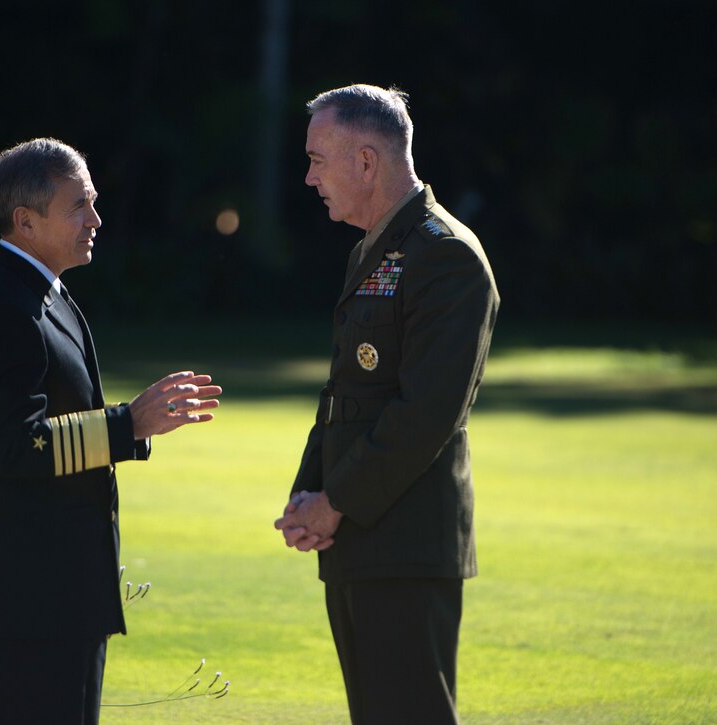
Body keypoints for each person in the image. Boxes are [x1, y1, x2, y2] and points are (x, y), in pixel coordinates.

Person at [0, 137, 221, 724]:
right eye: (79, 206)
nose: (96, 220)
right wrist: (129, 424)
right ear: (25, 221)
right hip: (36, 593)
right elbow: (14, 446)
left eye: (93, 203)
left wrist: (130, 425)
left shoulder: (40, 291)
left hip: (62, 587)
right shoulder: (2, 308)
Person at [274, 85, 499, 724]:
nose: (309, 176)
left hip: (405, 537)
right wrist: (308, 496)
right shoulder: (374, 249)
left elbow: (425, 413)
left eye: (318, 159)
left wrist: (335, 500)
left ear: (367, 162)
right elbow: (345, 394)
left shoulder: (446, 255)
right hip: (360, 535)